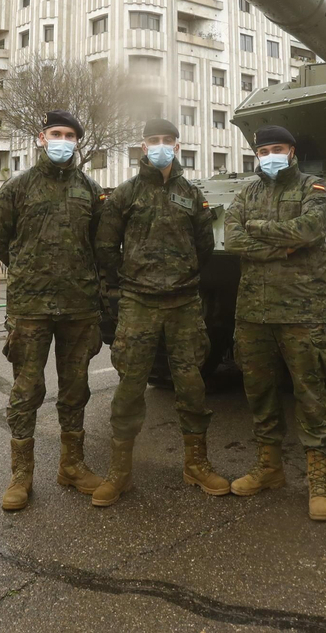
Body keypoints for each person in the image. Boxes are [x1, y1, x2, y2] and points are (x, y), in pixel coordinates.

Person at [90, 118, 228, 507]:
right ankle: (119, 472)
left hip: (183, 304)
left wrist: (182, 274)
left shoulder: (191, 194)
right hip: (139, 303)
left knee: (192, 386)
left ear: (178, 146)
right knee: (130, 387)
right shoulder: (126, 194)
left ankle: (196, 464)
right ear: (143, 146)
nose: (161, 146)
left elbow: (204, 246)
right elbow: (106, 246)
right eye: (154, 140)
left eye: (168, 140)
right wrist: (130, 279)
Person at [0, 110, 106, 511]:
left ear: (77, 142)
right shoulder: (17, 187)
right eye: (56, 133)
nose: (62, 141)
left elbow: (100, 244)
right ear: (41, 138)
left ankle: (72, 466)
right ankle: (21, 475)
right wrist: (28, 270)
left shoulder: (90, 189)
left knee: (75, 388)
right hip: (30, 307)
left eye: (69, 135)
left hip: (78, 305)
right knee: (26, 390)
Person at [223, 125, 326, 522]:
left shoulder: (313, 188)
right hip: (253, 311)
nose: (270, 154)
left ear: (291, 150)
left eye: (277, 148)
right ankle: (269, 467)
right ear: (257, 155)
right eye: (263, 150)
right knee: (259, 391)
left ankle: (318, 481)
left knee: (310, 393)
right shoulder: (246, 193)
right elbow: (232, 239)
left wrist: (257, 230)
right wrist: (281, 247)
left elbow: (309, 230)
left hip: (301, 310)